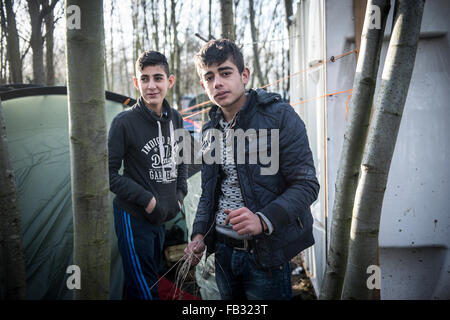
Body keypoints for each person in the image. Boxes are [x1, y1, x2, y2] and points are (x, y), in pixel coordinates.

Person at [184, 39, 319, 300]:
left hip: (265, 254)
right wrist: (200, 233)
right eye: (209, 77)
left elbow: (306, 185)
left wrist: (263, 219)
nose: (217, 83)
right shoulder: (209, 129)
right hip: (222, 253)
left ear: (244, 75)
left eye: (225, 72)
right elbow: (208, 192)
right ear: (203, 85)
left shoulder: (279, 116)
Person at [108, 51, 187, 300]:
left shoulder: (175, 119)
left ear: (170, 81)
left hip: (161, 218)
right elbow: (108, 174)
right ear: (136, 82)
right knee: (144, 288)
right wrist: (148, 200)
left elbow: (182, 160)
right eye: (144, 79)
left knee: (148, 280)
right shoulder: (124, 122)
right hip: (134, 217)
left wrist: (179, 195)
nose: (151, 86)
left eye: (158, 78)